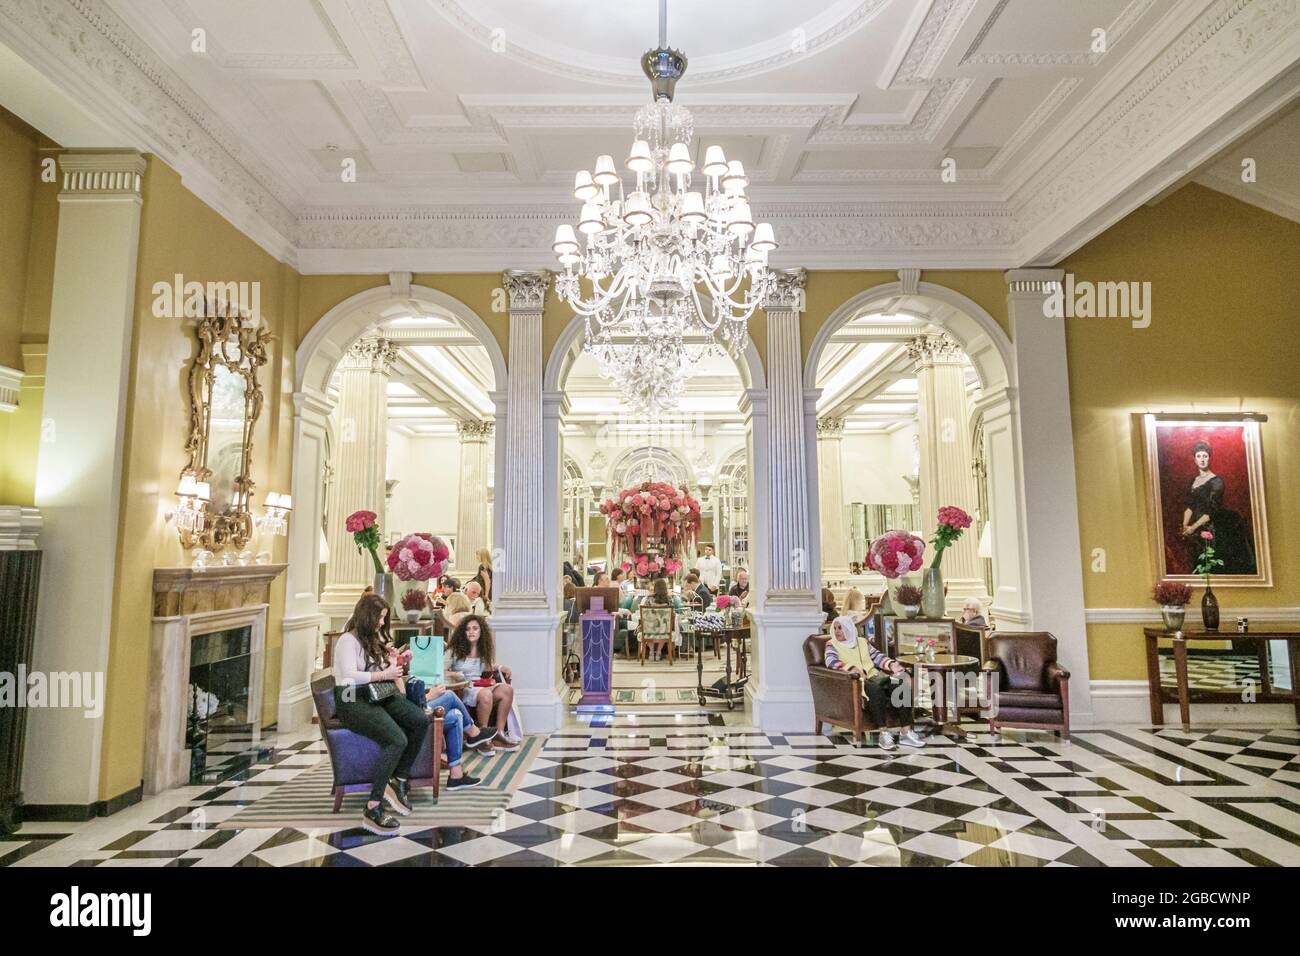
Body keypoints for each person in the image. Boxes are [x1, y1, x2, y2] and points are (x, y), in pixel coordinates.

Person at [331, 592, 430, 835]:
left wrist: (396, 661)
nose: (382, 623)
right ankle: (373, 806)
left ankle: (400, 779)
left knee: (419, 720)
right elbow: (349, 676)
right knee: (397, 739)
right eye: (380, 617)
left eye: (384, 617)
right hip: (351, 699)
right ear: (367, 616)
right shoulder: (347, 640)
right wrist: (383, 675)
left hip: (374, 693)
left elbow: (378, 671)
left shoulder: (370, 639)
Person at [824, 614, 925, 752]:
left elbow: (877, 657)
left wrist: (891, 665)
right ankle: (883, 734)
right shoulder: (831, 644)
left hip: (875, 676)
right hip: (857, 681)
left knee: (901, 685)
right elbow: (830, 662)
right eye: (835, 628)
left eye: (840, 628)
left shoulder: (862, 642)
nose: (837, 631)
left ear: (849, 628)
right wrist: (850, 668)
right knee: (875, 689)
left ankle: (905, 732)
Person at [1181, 439, 1256, 575]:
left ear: (1209, 458)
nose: (1202, 459)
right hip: (1195, 528)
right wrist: (1185, 525)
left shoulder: (1217, 482)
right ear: (1194, 459)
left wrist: (1193, 527)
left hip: (1211, 528)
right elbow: (1189, 506)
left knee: (1211, 564)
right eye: (1199, 456)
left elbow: (1211, 510)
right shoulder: (1193, 481)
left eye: (1205, 456)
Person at [447, 614, 520, 750]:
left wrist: (500, 667)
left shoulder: (483, 649)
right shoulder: (454, 649)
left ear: (481, 631)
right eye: (468, 629)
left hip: (480, 685)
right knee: (486, 694)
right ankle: (482, 736)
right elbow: (441, 670)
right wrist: (456, 674)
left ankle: (498, 733)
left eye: (475, 628)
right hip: (464, 688)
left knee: (507, 690)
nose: (471, 632)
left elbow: (488, 667)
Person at [421, 682, 496, 790]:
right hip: (414, 714)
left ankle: (456, 776)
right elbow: (405, 704)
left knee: (455, 715)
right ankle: (474, 733)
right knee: (450, 696)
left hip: (418, 708)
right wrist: (429, 696)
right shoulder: (391, 675)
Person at [638, 577, 675, 662]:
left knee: (649, 627)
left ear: (655, 587)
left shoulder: (648, 599)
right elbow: (673, 614)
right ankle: (658, 652)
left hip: (650, 629)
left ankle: (651, 652)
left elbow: (644, 615)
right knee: (664, 627)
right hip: (664, 630)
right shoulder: (669, 600)